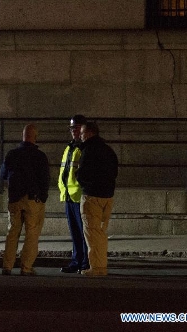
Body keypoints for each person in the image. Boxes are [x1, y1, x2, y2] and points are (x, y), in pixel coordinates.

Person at [0, 124, 50, 276]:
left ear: (23, 136)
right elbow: (45, 179)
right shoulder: (40, 156)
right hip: (32, 200)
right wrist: (43, 197)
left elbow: (3, 174)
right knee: (32, 233)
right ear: (35, 137)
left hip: (14, 199)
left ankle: (7, 266)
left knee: (12, 232)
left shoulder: (12, 154)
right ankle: (26, 267)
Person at [77, 122, 118, 277]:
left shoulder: (88, 151)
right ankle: (101, 266)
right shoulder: (108, 150)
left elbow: (82, 175)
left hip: (92, 196)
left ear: (88, 133)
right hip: (107, 196)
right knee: (100, 233)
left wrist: (82, 181)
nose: (80, 136)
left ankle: (96, 268)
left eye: (81, 133)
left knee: (91, 233)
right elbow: (114, 172)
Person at [58, 115, 89, 274]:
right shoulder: (70, 147)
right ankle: (77, 261)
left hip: (79, 195)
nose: (73, 131)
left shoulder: (83, 148)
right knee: (75, 232)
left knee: (83, 233)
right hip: (69, 196)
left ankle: (85, 263)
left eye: (76, 127)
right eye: (71, 128)